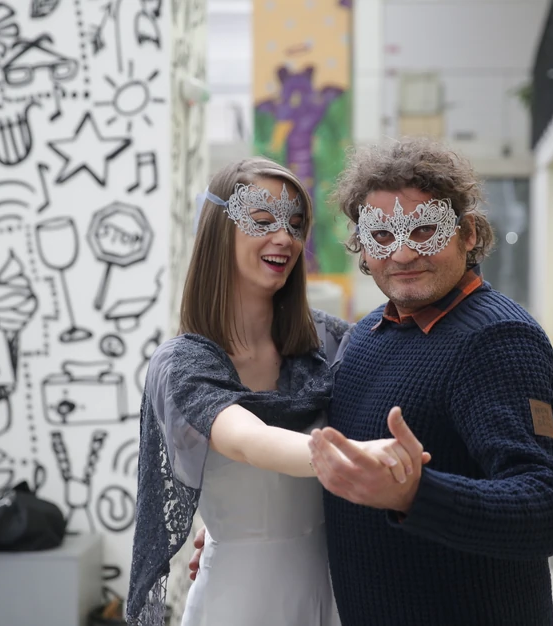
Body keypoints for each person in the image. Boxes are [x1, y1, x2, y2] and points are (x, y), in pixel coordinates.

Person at [191, 138, 553, 625]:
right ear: (361, 245)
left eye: (425, 229)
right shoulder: (367, 334)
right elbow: (342, 467)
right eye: (381, 235)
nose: (403, 253)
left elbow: (547, 508)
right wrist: (246, 529)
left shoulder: (499, 339)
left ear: (468, 233)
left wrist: (416, 494)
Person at [126, 157, 429, 626]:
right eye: (262, 220)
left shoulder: (331, 342)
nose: (285, 237)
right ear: (218, 231)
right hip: (238, 601)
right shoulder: (181, 363)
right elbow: (248, 440)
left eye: (295, 223)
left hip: (337, 590)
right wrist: (356, 456)